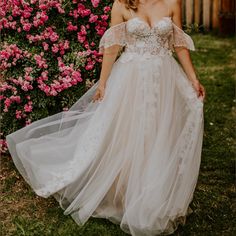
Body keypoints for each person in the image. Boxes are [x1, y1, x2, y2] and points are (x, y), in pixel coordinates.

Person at [6, 0, 206, 235]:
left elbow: (179, 45)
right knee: (129, 132)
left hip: (163, 79)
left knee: (159, 132)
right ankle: (125, 191)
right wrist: (103, 84)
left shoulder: (172, 3)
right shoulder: (122, 4)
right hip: (132, 78)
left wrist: (193, 78)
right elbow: (112, 47)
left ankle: (154, 192)